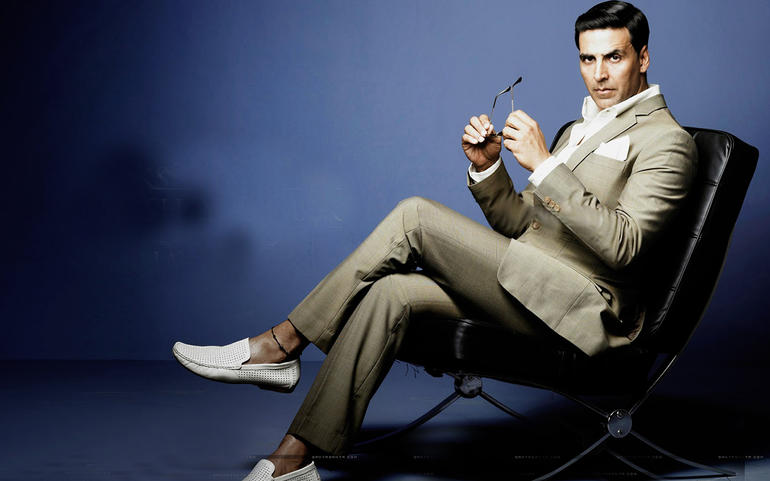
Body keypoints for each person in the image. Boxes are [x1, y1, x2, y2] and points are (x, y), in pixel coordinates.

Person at [172, 1, 697, 480]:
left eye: (614, 57)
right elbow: (520, 224)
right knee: (392, 292)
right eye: (588, 59)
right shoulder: (577, 130)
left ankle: (281, 343)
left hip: (584, 312)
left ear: (643, 57)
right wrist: (488, 169)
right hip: (524, 283)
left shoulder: (667, 142)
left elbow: (625, 246)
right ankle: (297, 455)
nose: (599, 74)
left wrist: (546, 165)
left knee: (415, 216)